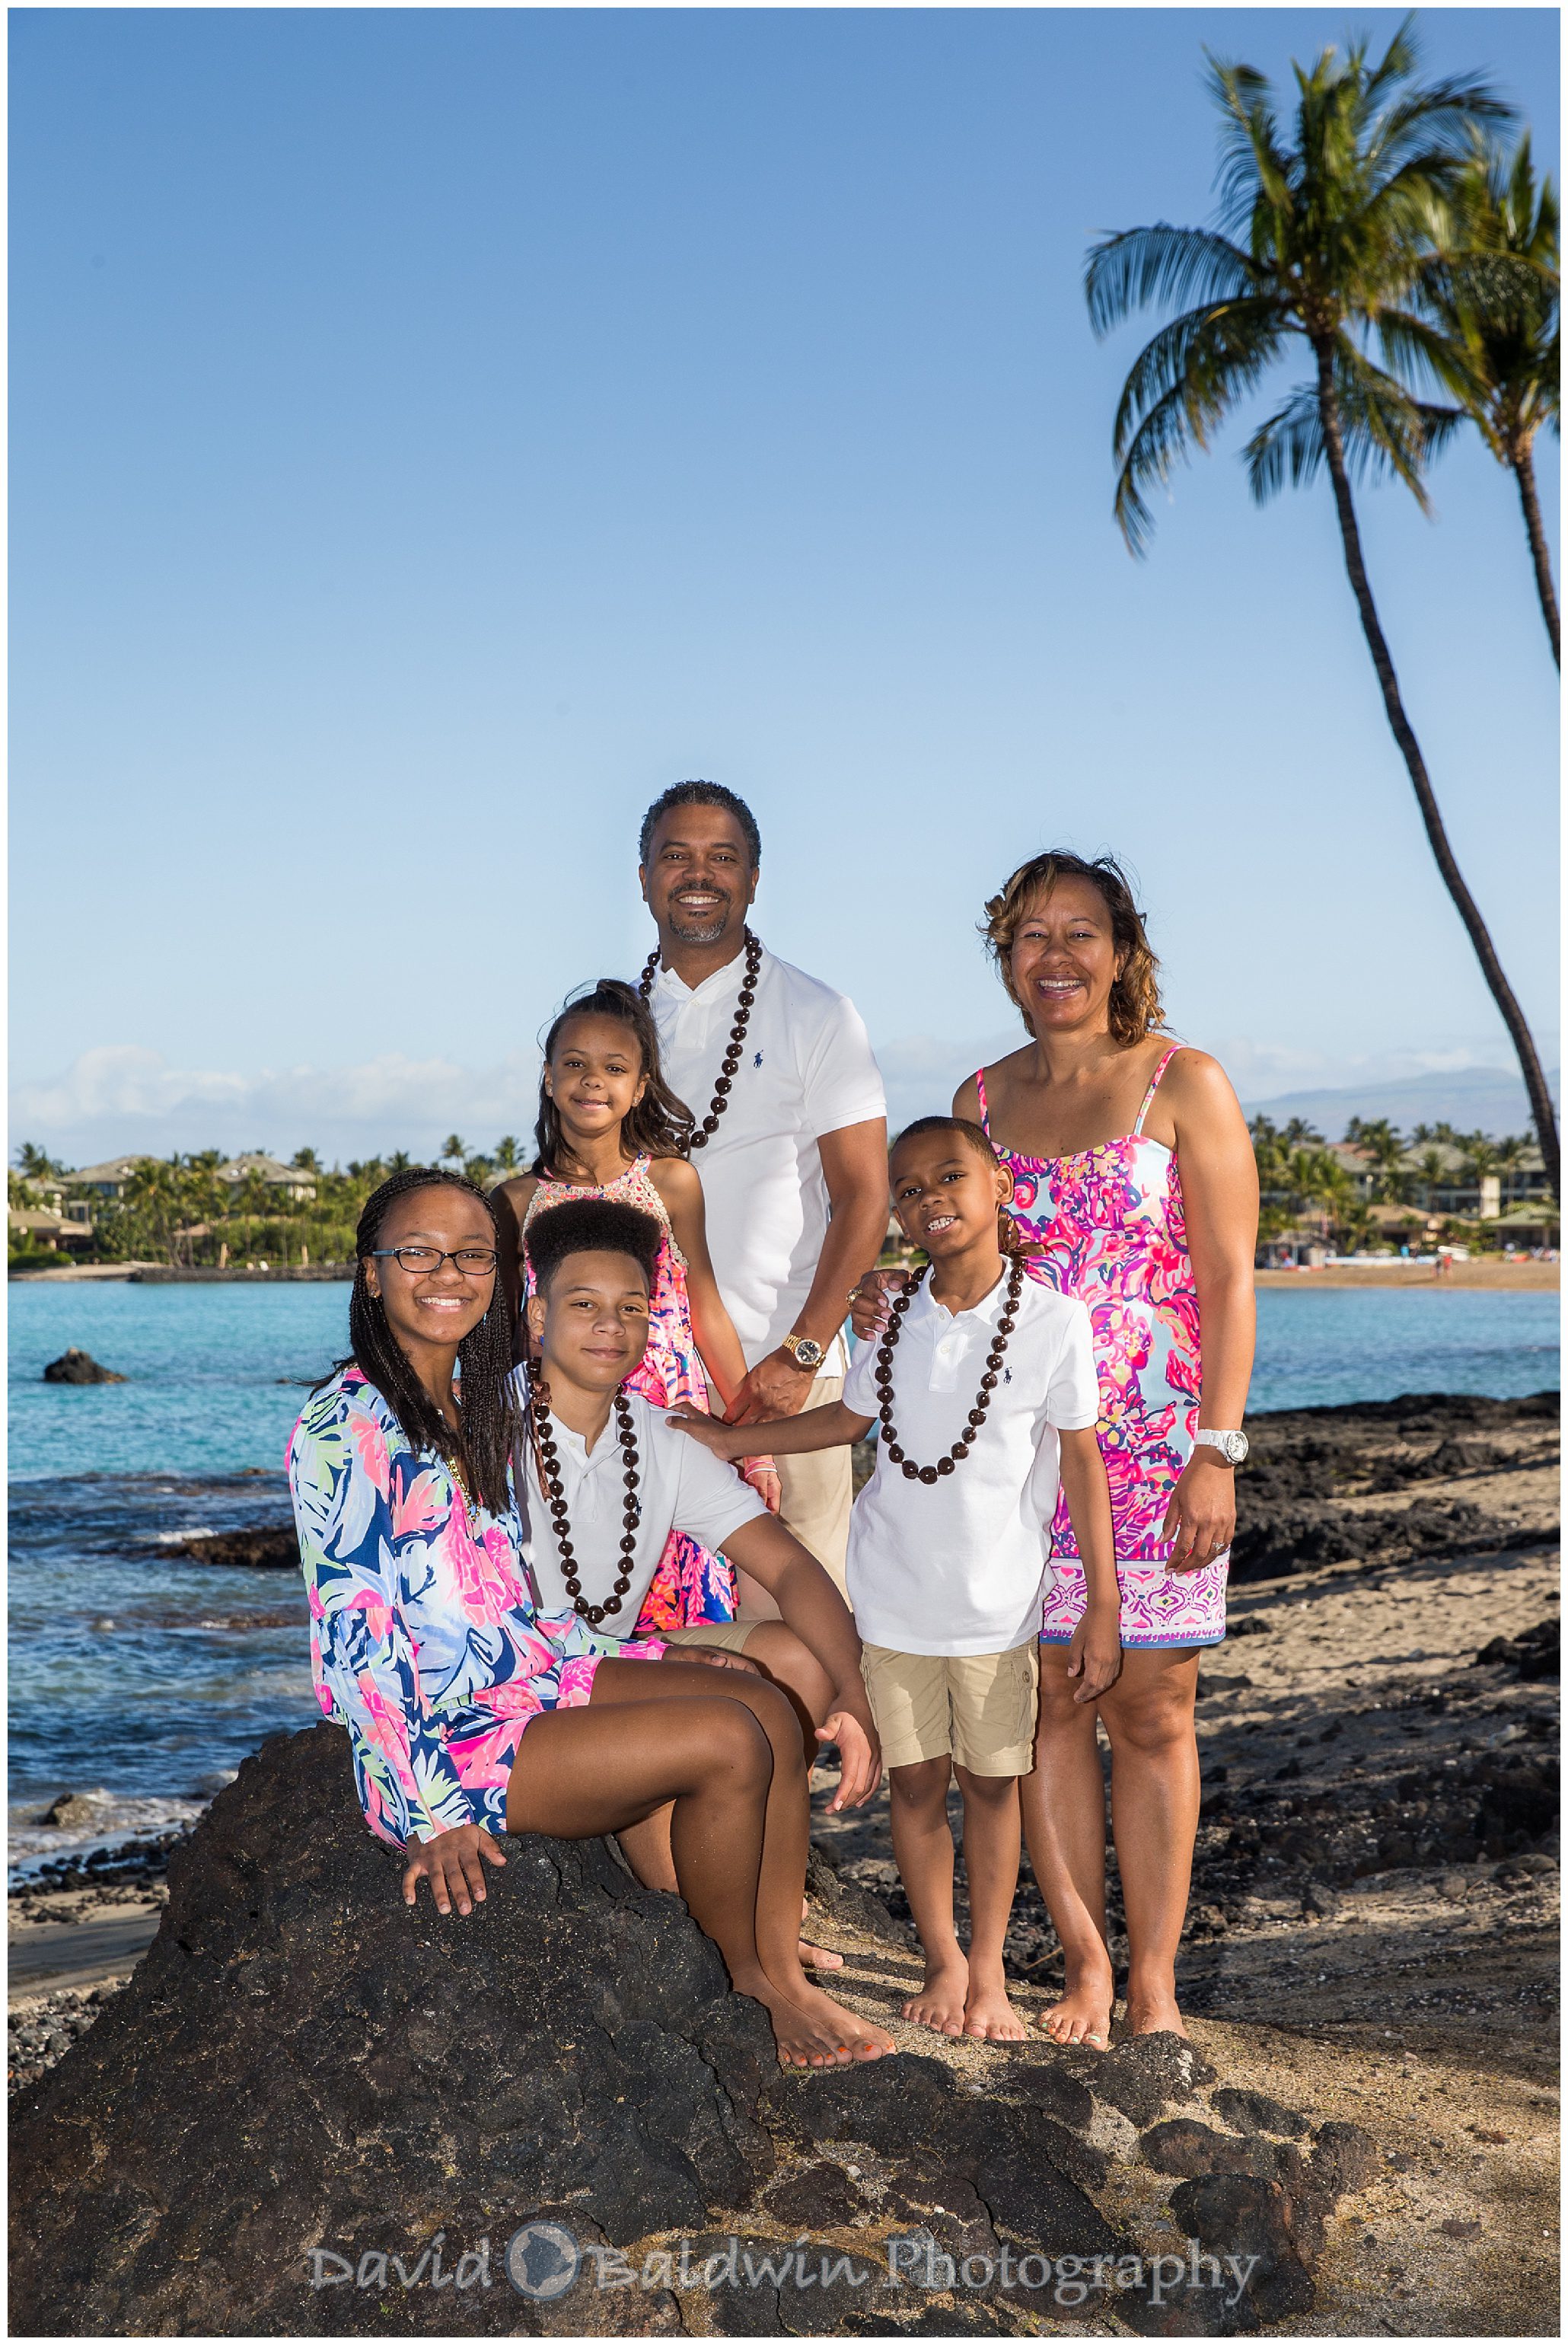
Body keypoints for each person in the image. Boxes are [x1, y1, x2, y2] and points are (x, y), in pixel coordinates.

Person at [288, 1166, 893, 2069]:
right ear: (371, 1273)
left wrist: (652, 1655)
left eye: (469, 1256)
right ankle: (751, 1981)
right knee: (729, 1738)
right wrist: (427, 1811)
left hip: (533, 1674)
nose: (446, 1273)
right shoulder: (346, 1423)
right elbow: (354, 1634)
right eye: (416, 1252)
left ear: (498, 1279)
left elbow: (505, 1607)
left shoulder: (461, 1409)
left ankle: (775, 1959)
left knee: (764, 1704)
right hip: (455, 1741)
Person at [854, 851, 1258, 2047]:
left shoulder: (1184, 1082)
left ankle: (1153, 1986)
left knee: (1154, 1711)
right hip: (1017, 1465)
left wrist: (1218, 1449)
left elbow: (1231, 1278)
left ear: (1124, 948)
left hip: (1157, 1452)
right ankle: (1084, 1968)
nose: (1058, 956)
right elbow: (957, 1240)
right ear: (1006, 958)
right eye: (1031, 936)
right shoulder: (980, 1098)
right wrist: (891, 1295)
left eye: (1081, 932)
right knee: (1043, 1718)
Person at [672, 1117, 1120, 2044]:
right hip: (889, 1601)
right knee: (915, 1788)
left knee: (991, 1791)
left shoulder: (1053, 1320)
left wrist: (1103, 1605)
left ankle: (989, 1969)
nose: (928, 1200)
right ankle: (941, 1959)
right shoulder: (889, 1312)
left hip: (997, 1608)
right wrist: (730, 1438)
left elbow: (1081, 1463)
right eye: (907, 1191)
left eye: (948, 1177)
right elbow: (843, 1422)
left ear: (999, 1185)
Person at [519, 1192, 879, 1967]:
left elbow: (785, 1564)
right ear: (536, 1317)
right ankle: (736, 1945)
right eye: (583, 1304)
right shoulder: (485, 1431)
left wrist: (852, 1692)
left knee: (797, 1658)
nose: (611, 1326)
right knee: (725, 1702)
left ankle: (770, 1927)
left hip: (614, 1671)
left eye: (631, 1307)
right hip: (522, 1688)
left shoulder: (661, 1434)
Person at [637, 780, 888, 1612]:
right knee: (656, 1624)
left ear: (752, 877)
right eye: (676, 855)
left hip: (789, 1377)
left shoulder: (817, 1011)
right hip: (640, 1370)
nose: (697, 873)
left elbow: (864, 1196)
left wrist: (803, 1353)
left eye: (722, 856)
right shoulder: (611, 1027)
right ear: (643, 877)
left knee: (797, 1626)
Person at [493, 978, 778, 1637]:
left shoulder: (670, 1182)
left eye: (614, 1068)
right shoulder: (515, 1201)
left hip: (677, 1426)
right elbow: (512, 1339)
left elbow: (706, 1313)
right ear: (547, 1077)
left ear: (641, 1085)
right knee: (583, 1609)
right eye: (575, 1065)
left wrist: (752, 1445)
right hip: (568, 1437)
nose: (593, 1082)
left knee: (692, 1615)